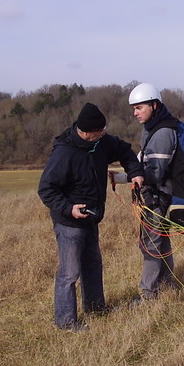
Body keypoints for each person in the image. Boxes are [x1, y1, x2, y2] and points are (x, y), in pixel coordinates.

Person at [38, 102, 144, 331]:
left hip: (91, 218)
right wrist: (69, 208)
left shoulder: (102, 142)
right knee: (70, 273)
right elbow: (46, 190)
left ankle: (96, 308)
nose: (104, 134)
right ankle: (66, 322)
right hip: (69, 223)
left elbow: (125, 151)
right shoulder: (64, 153)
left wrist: (134, 172)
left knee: (93, 264)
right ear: (86, 132)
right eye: (99, 131)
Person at [128, 82, 179, 302]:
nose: (135, 112)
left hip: (159, 198)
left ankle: (148, 293)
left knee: (151, 244)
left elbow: (154, 174)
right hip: (159, 195)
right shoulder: (153, 129)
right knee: (161, 240)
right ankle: (168, 283)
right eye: (134, 108)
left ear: (154, 105)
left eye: (139, 107)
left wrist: (129, 176)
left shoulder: (163, 133)